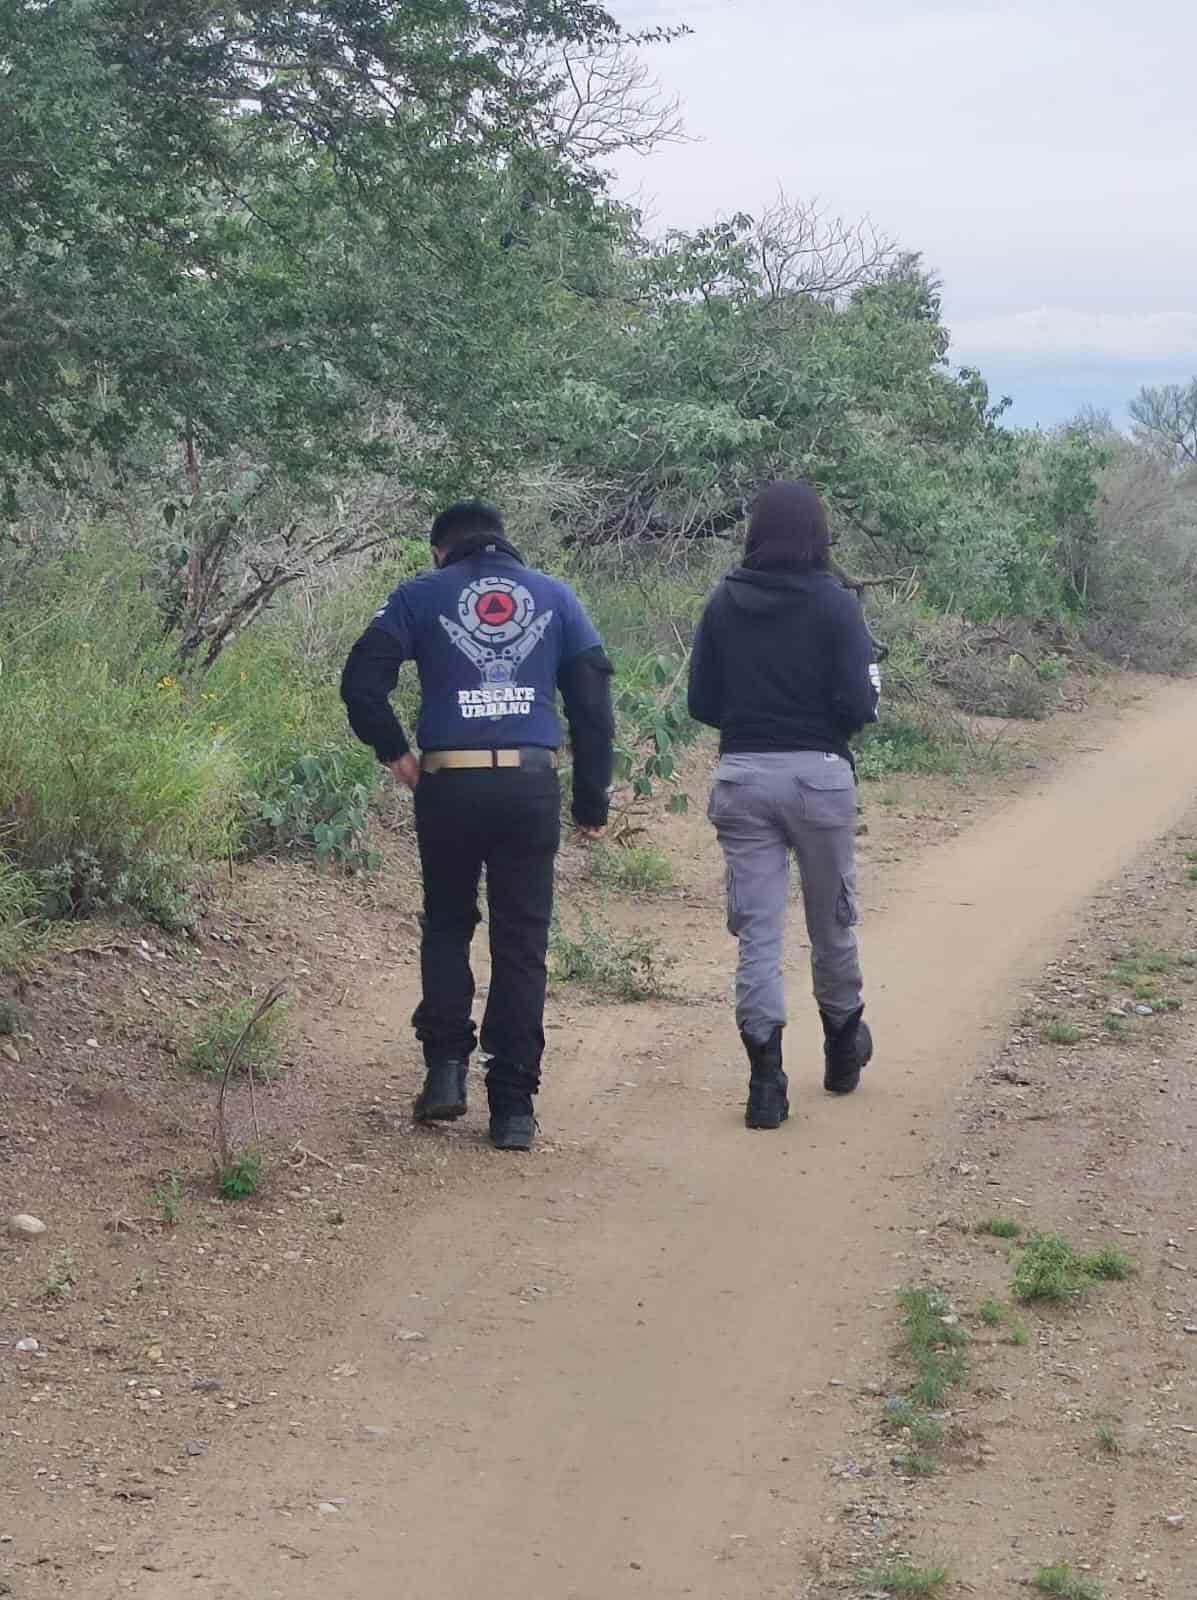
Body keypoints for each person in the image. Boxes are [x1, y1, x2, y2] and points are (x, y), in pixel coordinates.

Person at [340, 499, 614, 1151]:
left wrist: (394, 752)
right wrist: (590, 801)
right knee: (520, 942)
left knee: (447, 922)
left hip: (449, 782)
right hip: (528, 783)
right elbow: (593, 706)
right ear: (503, 543)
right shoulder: (556, 597)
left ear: (440, 549)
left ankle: (444, 1073)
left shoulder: (418, 594)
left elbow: (360, 683)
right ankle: (513, 1109)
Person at [687, 479, 880, 1130]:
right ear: (818, 536)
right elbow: (859, 705)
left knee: (758, 934)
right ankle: (841, 1046)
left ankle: (765, 1083)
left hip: (741, 775)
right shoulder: (835, 605)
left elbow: (701, 705)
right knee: (831, 920)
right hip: (819, 774)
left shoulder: (723, 601)